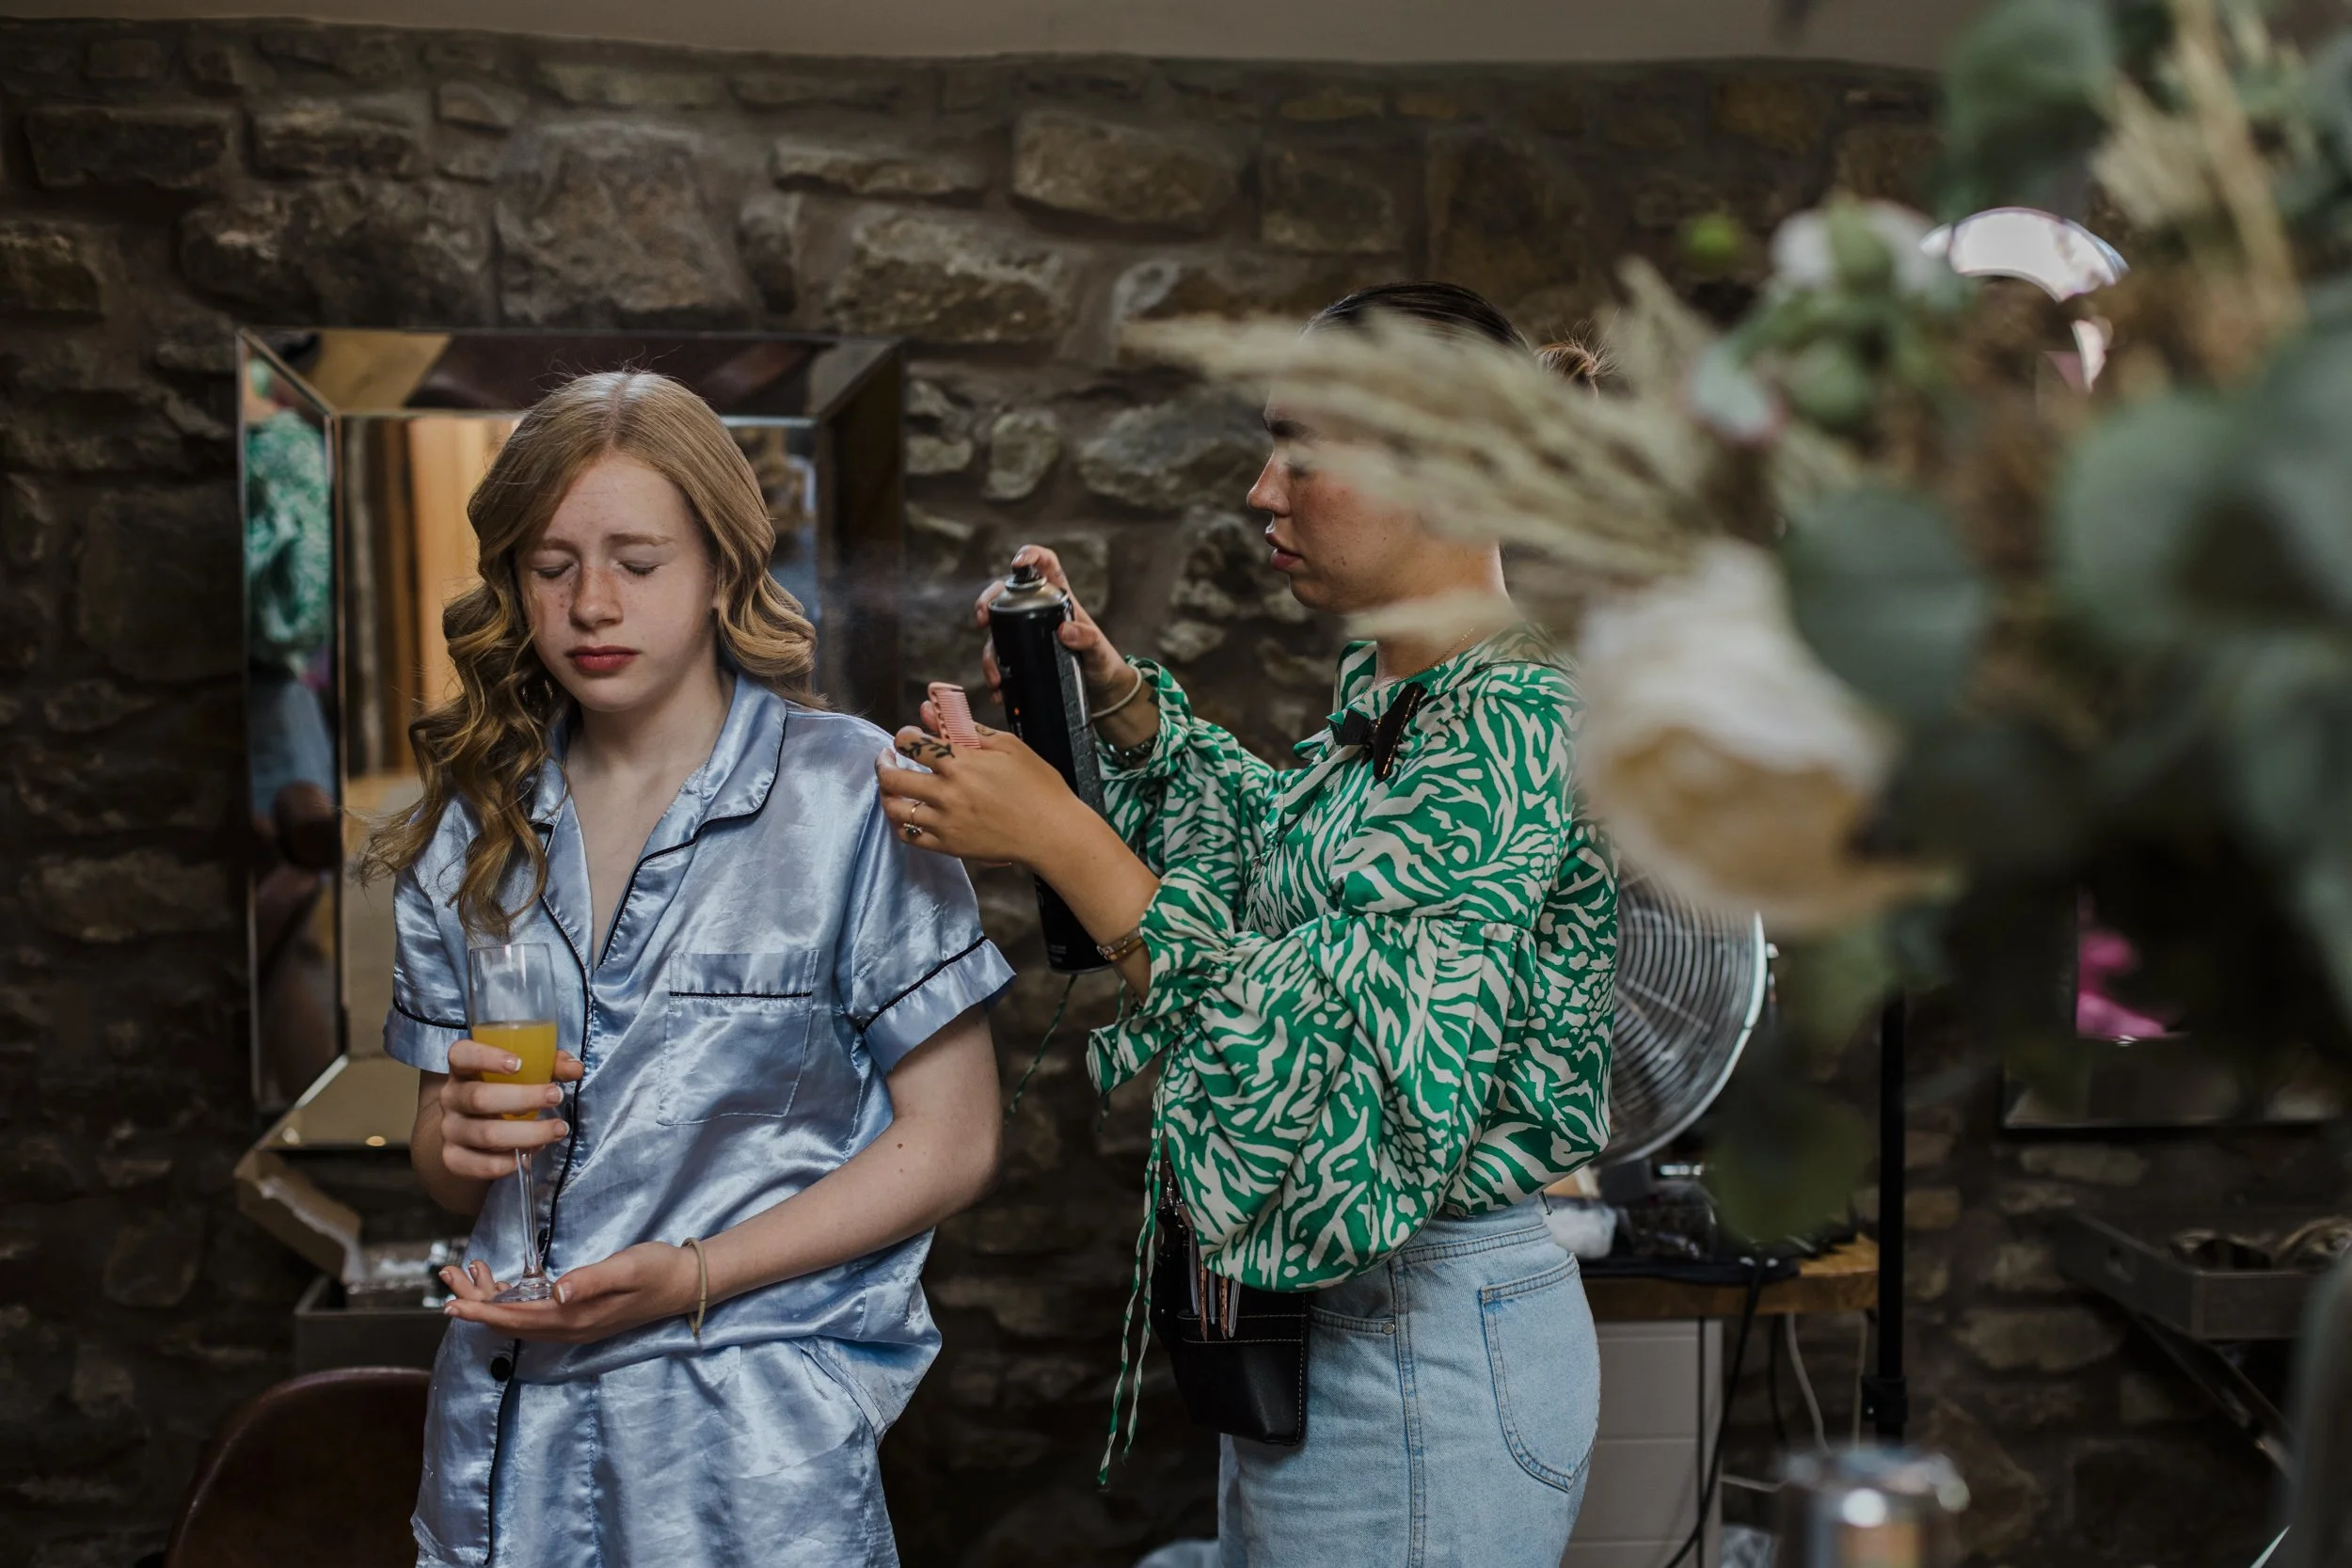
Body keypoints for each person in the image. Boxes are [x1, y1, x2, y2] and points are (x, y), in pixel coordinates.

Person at [881, 284, 1619, 1567]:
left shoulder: (1508, 724)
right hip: (1354, 1331)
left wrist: (1065, 835)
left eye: (1308, 451)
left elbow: (1345, 1078)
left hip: (1418, 1347)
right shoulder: (1409, 695)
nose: (1264, 491)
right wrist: (1115, 708)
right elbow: (1289, 871)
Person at [362, 371, 1013, 1568]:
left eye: (638, 561)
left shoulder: (849, 795)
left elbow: (955, 1138)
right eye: (551, 564)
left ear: (720, 567)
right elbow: (446, 1173)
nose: (591, 603)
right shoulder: (470, 821)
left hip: (750, 1462)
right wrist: (451, 1133)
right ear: (511, 580)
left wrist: (693, 1275)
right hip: (502, 1456)